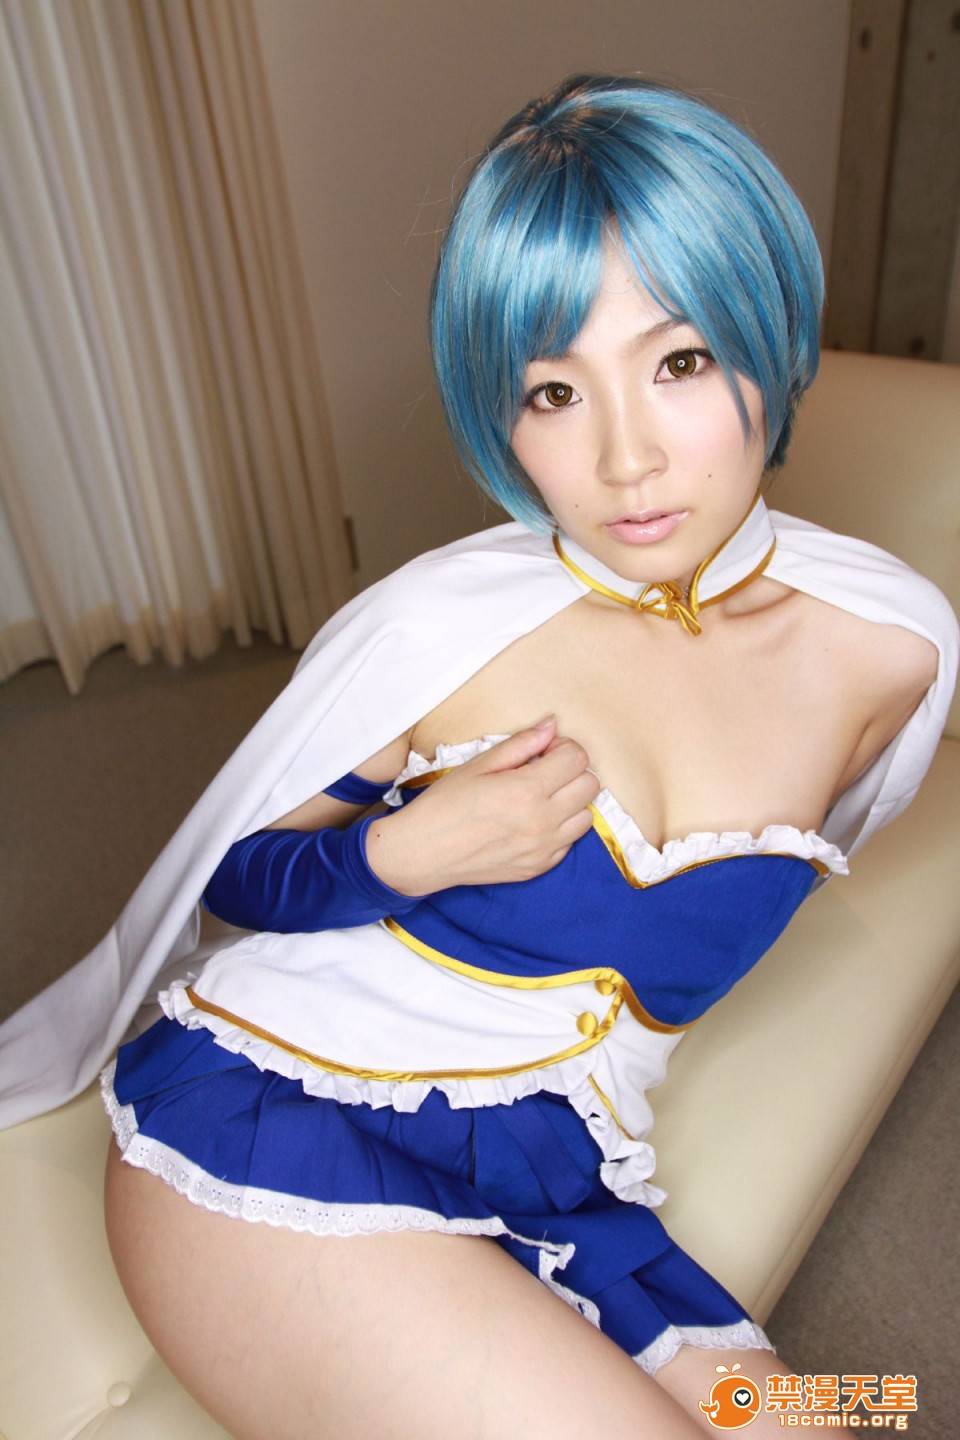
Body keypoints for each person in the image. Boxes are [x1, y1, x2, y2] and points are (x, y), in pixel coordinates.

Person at [4, 73, 956, 1439]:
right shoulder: (437, 631)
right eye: (554, 390)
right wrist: (403, 851)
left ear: (773, 340)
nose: (626, 460)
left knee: (850, 1415)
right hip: (276, 1123)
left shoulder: (895, 651)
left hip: (561, 1187)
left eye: (680, 363)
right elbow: (231, 878)